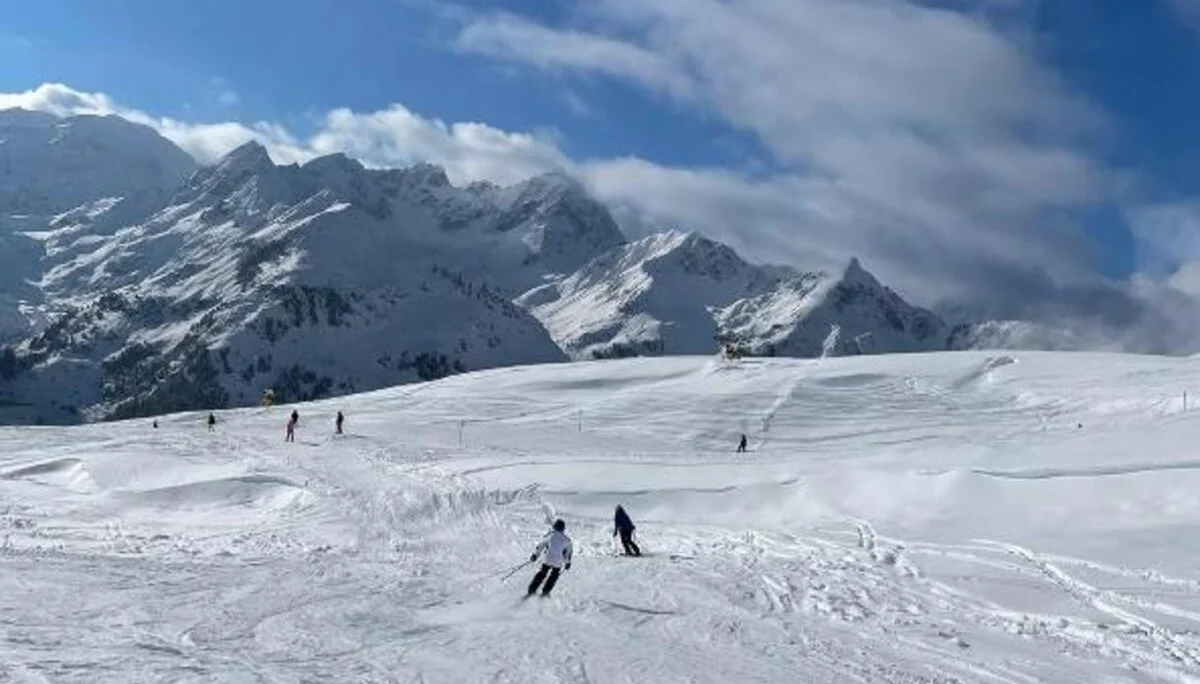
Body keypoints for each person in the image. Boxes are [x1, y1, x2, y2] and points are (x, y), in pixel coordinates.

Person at [527, 519, 573, 597]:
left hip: (548, 559)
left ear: (554, 527)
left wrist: (535, 555)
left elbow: (540, 546)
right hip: (558, 562)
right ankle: (546, 592)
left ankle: (532, 589)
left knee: (542, 573)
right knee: (554, 576)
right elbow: (568, 554)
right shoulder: (567, 541)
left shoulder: (550, 536)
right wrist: (567, 563)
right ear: (563, 529)